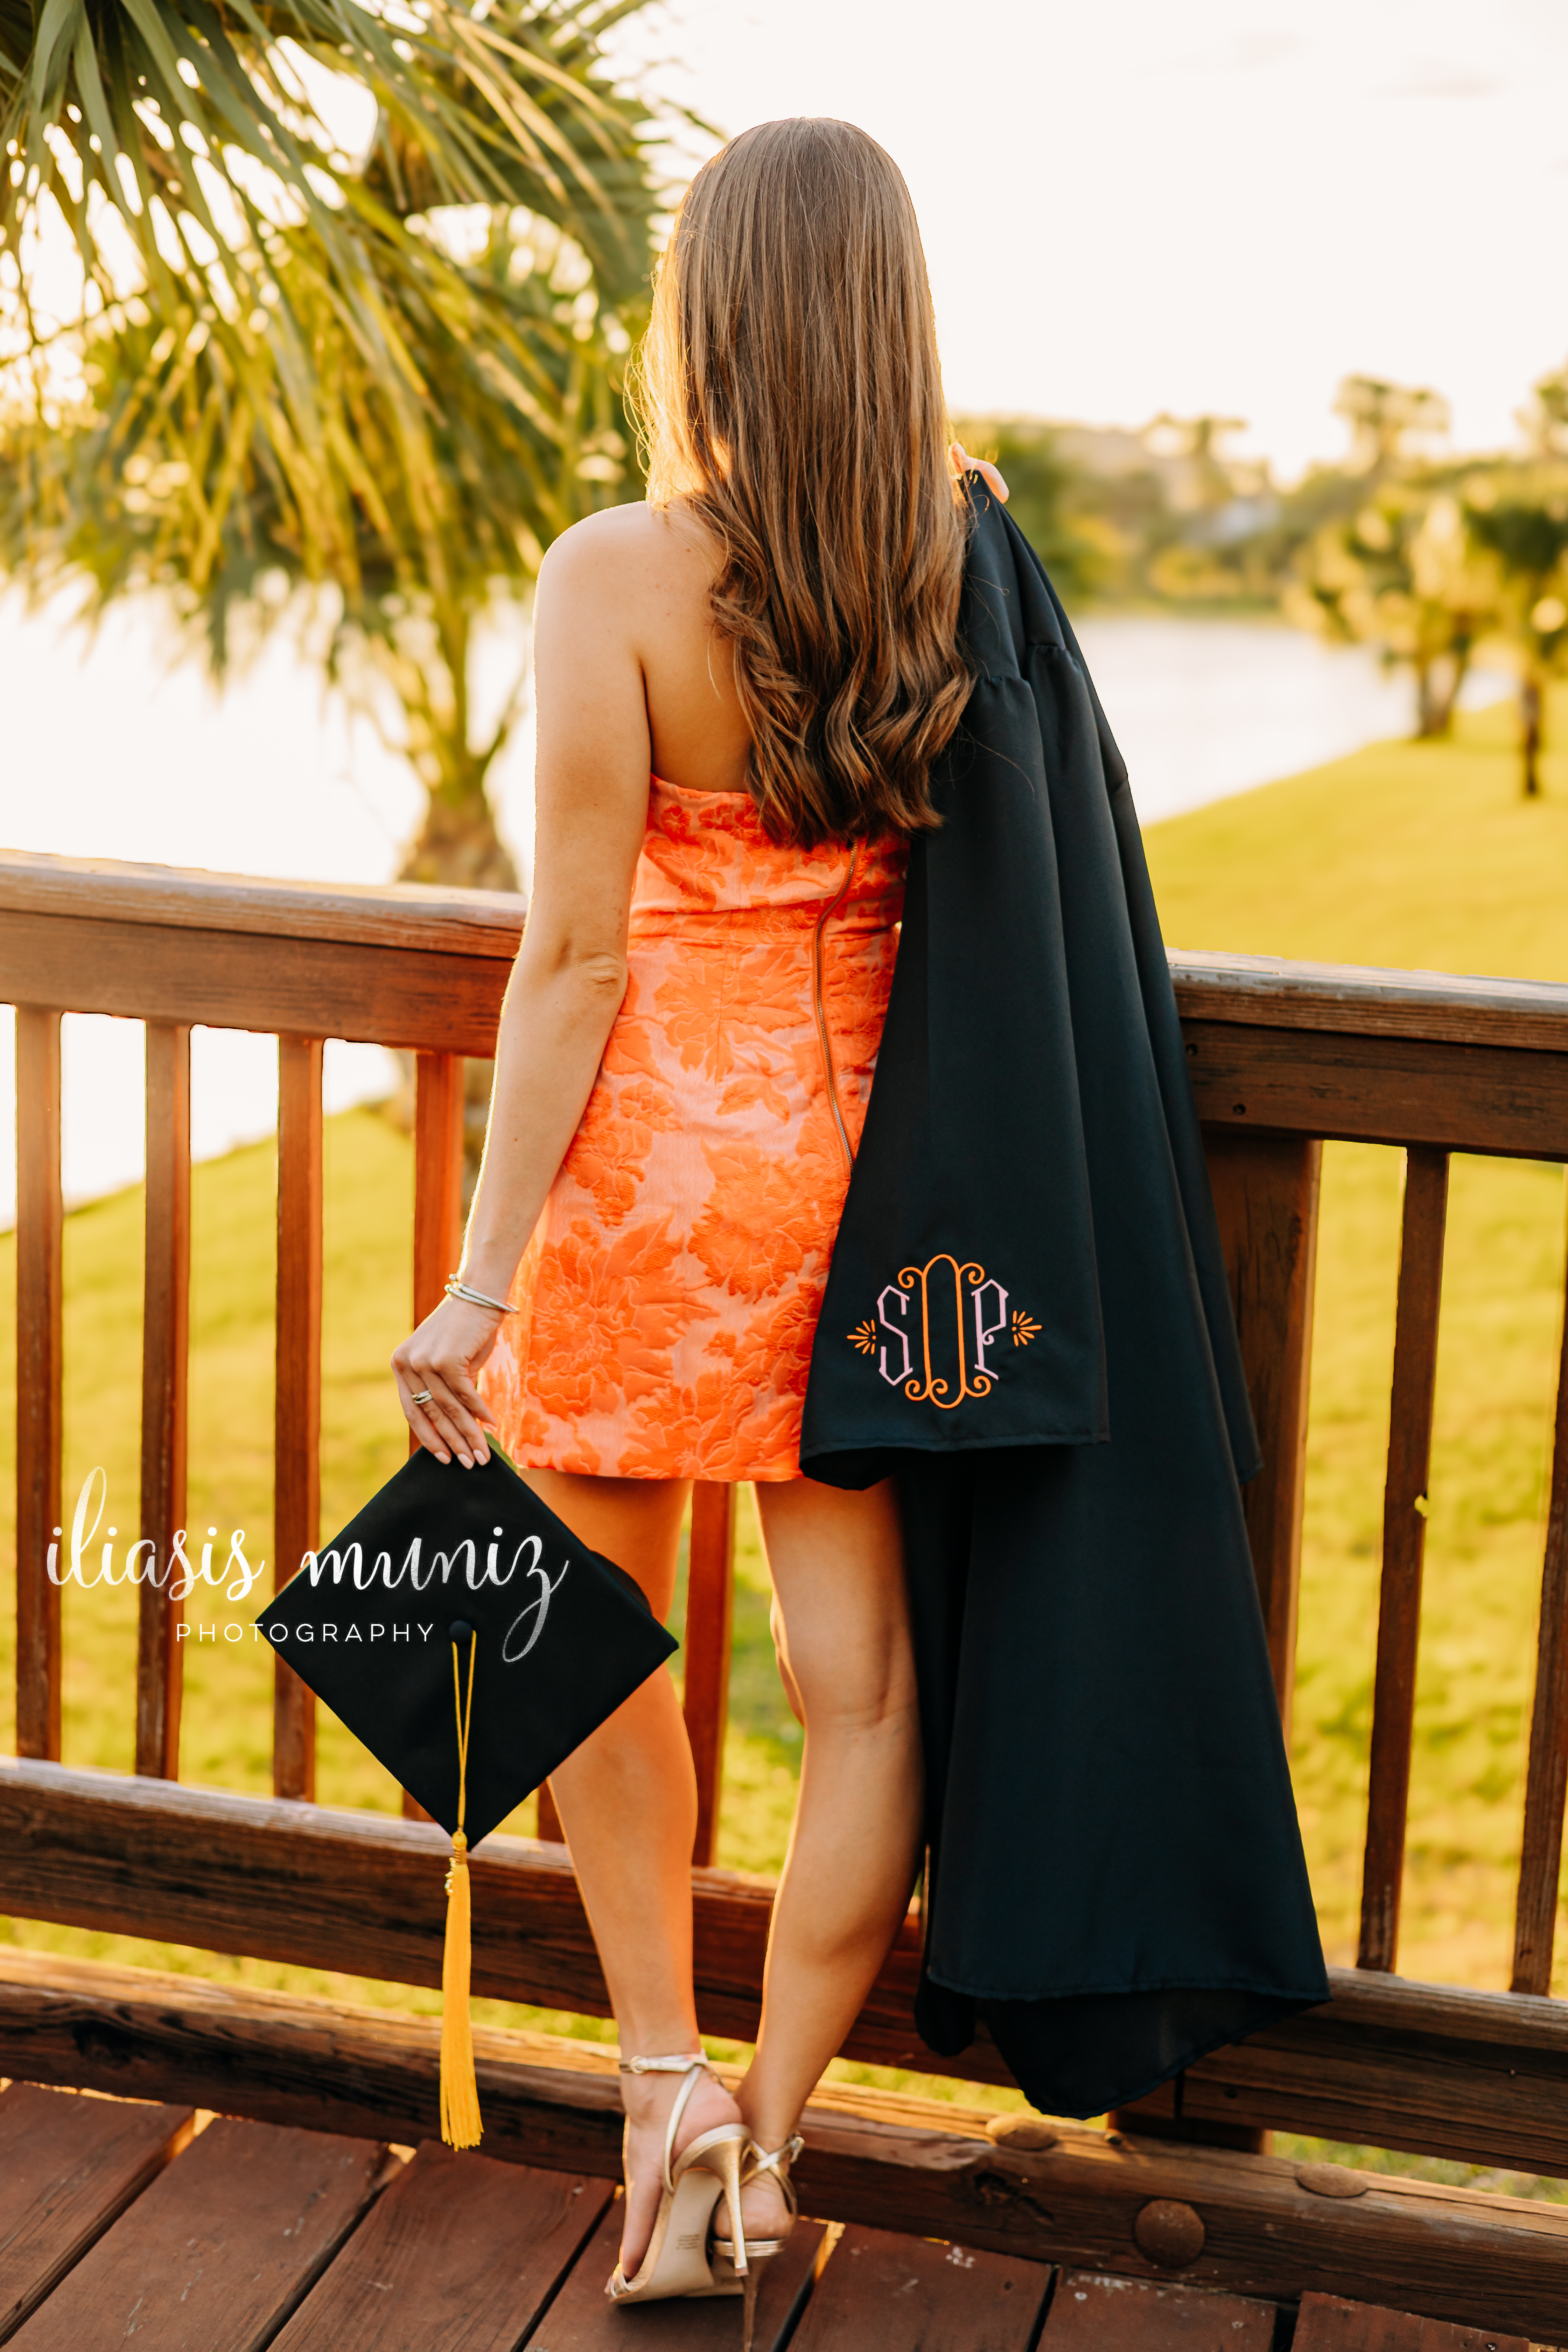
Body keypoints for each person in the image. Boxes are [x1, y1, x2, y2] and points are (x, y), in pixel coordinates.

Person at [391, 117, 1000, 2327]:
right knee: (859, 1691)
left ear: (706, 314)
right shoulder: (964, 557)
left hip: (648, 1185)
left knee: (569, 1635)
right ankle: (780, 2132)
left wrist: (474, 1279)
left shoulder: (609, 574)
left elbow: (569, 959)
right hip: (864, 1202)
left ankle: (663, 2098)